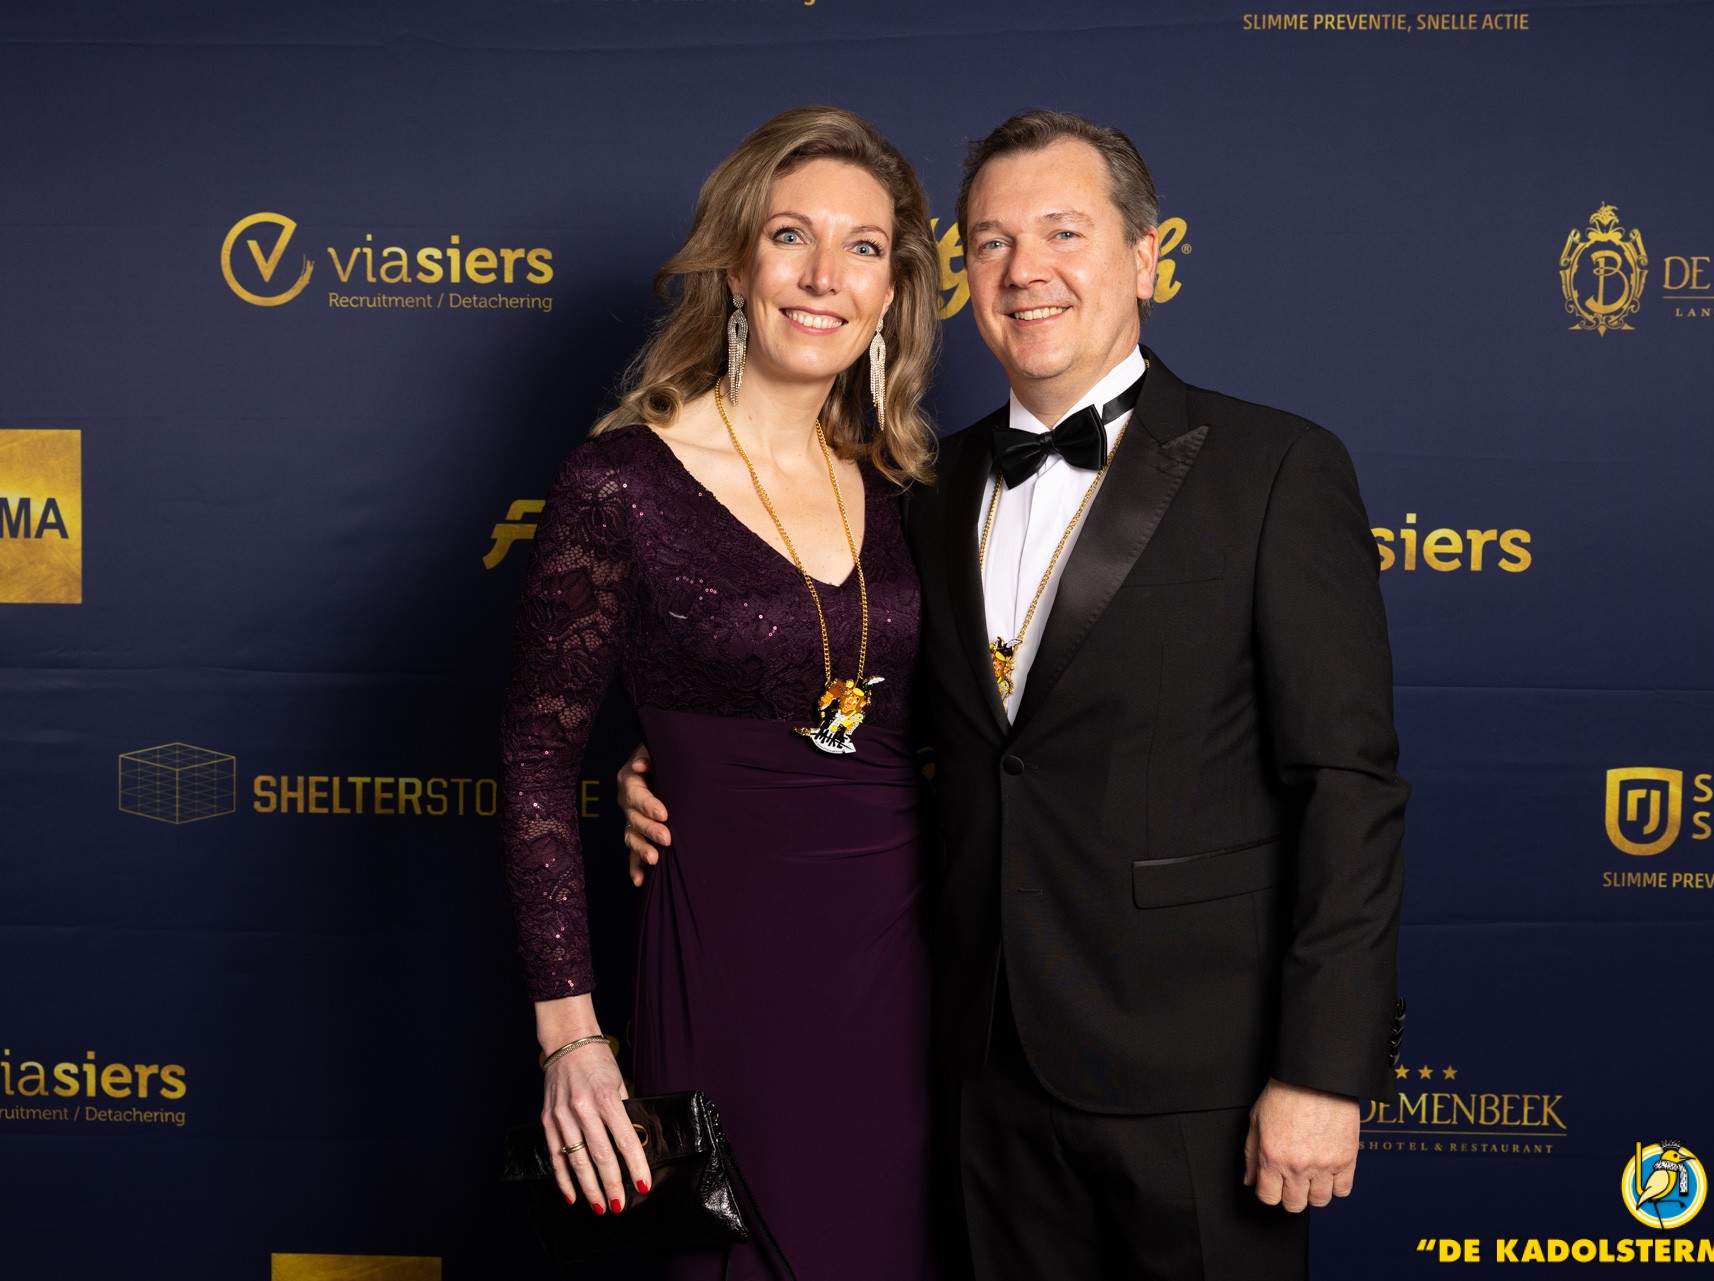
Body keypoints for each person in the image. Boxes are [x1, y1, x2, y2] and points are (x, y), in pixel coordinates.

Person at [622, 109, 1408, 1279]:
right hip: (978, 1078)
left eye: (1062, 232)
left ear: (1146, 258)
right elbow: (851, 705)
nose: (1024, 269)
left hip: (1202, 1086)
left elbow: (1349, 790)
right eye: (990, 242)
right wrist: (677, 766)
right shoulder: (919, 489)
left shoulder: (1275, 469)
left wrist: (1323, 1071)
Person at [498, 104, 943, 1280]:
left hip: (910, 977)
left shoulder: (911, 486)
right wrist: (569, 1035)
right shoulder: (621, 483)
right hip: (727, 969)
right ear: (737, 264)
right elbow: (537, 759)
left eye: (862, 246)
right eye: (791, 235)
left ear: (892, 290)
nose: (824, 274)